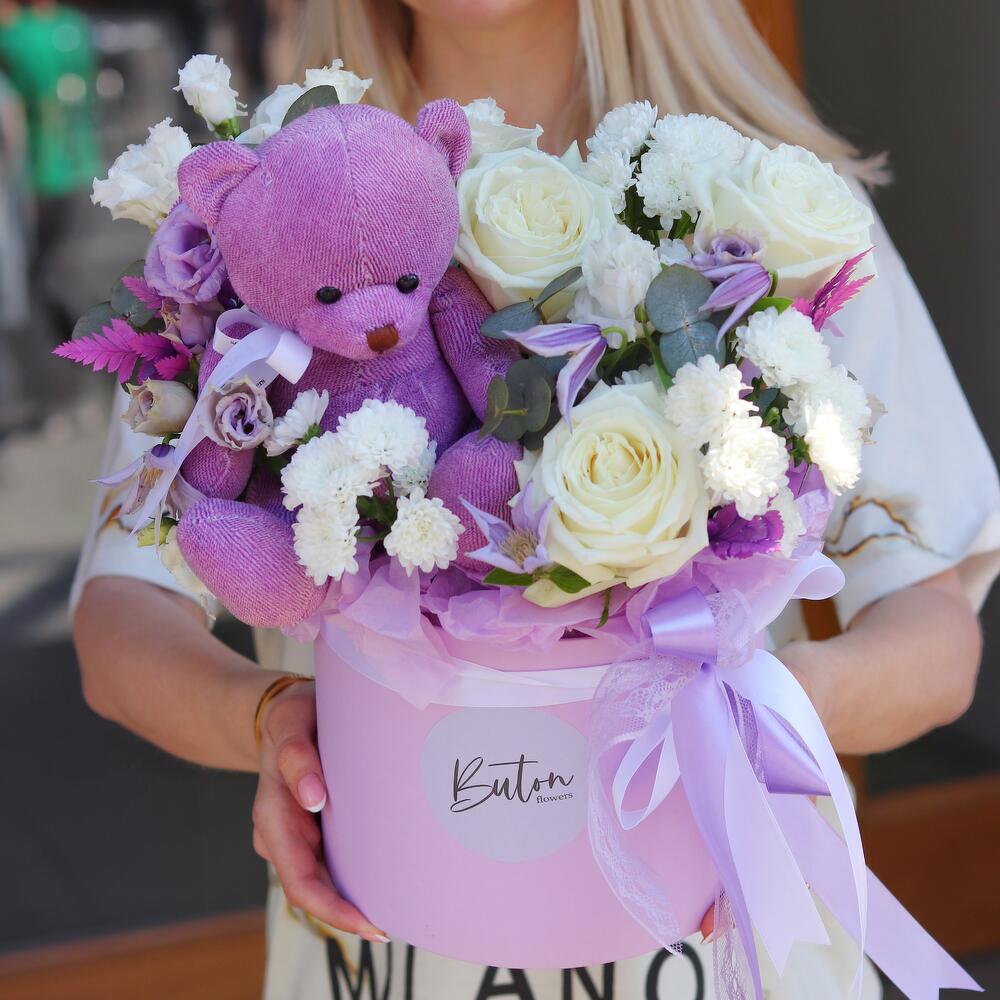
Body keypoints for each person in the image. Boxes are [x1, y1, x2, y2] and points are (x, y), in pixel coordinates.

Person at [71, 1, 1000, 997]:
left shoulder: (773, 213)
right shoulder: (273, 203)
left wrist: (754, 715)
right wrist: (267, 721)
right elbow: (122, 621)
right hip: (383, 956)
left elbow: (934, 639)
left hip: (707, 960)